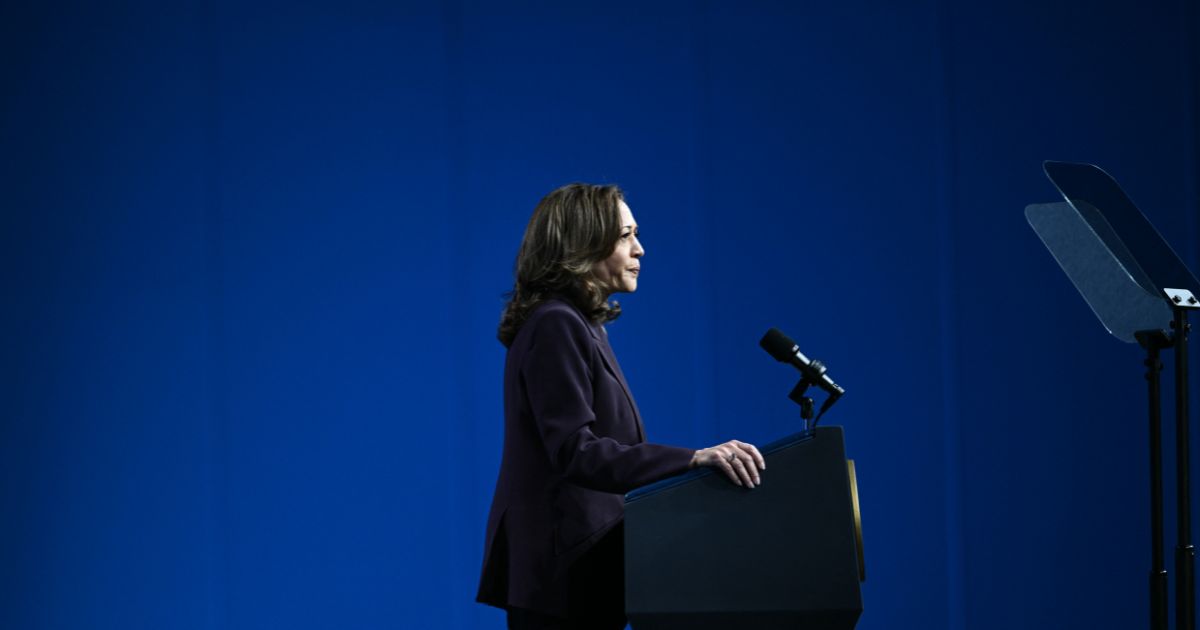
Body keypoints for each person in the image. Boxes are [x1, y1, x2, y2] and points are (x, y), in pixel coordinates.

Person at [476, 183, 766, 630]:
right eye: (626, 235)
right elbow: (577, 451)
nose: (641, 249)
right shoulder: (556, 324)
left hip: (585, 570)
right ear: (583, 244)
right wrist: (692, 458)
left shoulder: (579, 325)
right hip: (562, 577)